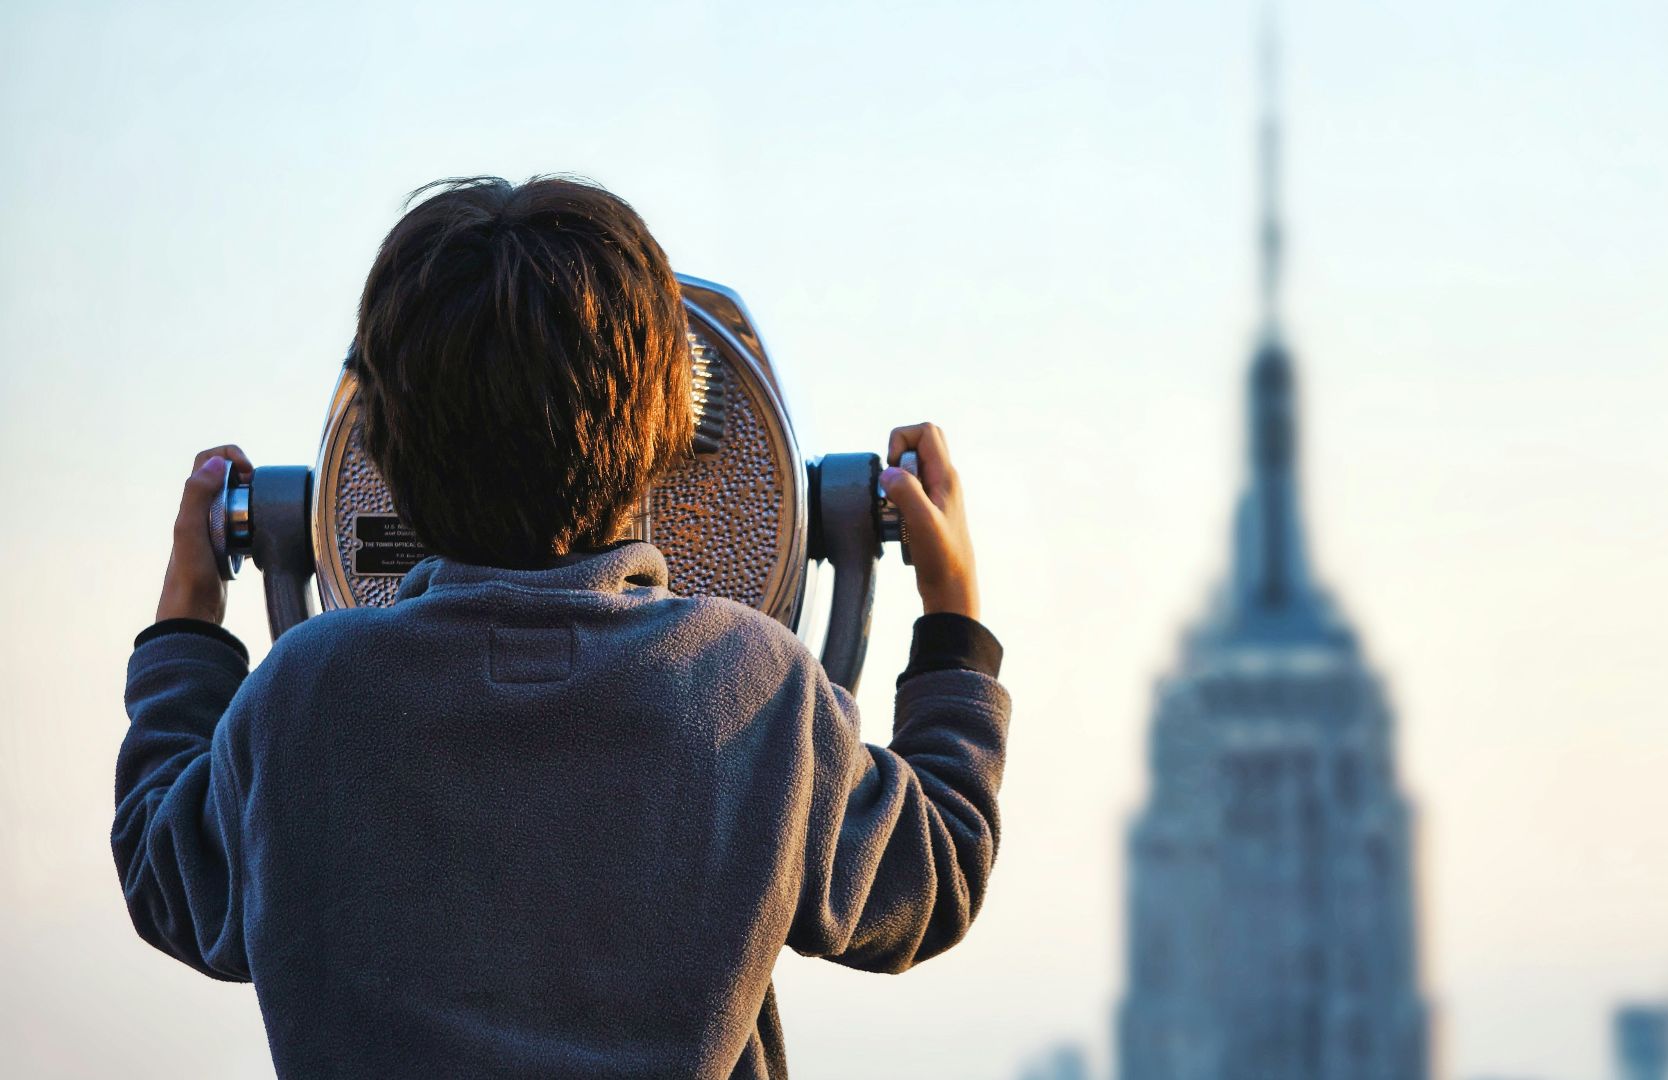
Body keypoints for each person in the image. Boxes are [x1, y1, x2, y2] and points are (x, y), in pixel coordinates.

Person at [113, 176, 1010, 1079]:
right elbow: (937, 874)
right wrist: (952, 615)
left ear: (375, 443)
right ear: (668, 429)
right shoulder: (754, 687)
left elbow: (167, 882)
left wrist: (189, 619)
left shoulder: (306, 695)